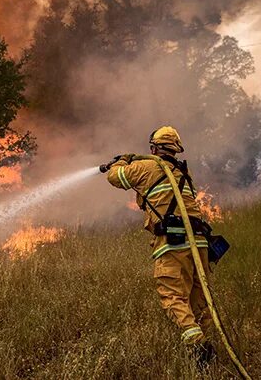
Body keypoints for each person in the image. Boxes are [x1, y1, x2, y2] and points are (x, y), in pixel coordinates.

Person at [104, 126, 216, 367]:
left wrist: (119, 161)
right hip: (199, 243)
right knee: (200, 299)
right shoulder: (182, 172)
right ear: (175, 149)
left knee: (173, 294)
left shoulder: (146, 166)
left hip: (172, 244)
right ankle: (207, 348)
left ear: (153, 148)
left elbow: (116, 177)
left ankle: (197, 345)